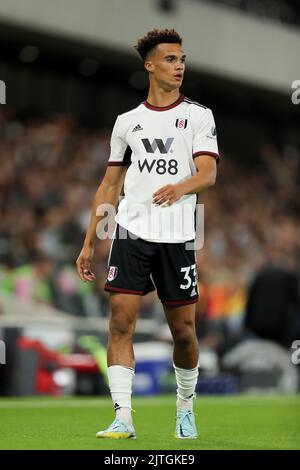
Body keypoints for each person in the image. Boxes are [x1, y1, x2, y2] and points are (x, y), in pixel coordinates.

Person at [76, 28, 219, 439]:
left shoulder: (198, 115)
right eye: (171, 60)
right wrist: (89, 243)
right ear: (149, 65)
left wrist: (180, 187)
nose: (180, 67)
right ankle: (123, 416)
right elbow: (109, 186)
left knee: (184, 332)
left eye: (182, 60)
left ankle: (185, 407)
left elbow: (208, 172)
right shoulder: (127, 123)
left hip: (178, 236)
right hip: (131, 232)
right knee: (120, 322)